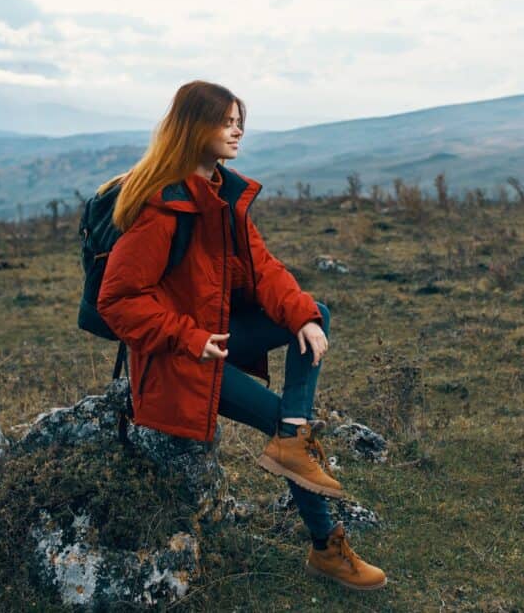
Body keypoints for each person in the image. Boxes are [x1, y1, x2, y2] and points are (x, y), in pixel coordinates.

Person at [95, 80, 387, 591]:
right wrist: (187, 337)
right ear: (194, 127)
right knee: (275, 422)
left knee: (313, 310)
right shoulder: (161, 209)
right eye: (226, 121)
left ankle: (295, 431)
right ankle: (327, 548)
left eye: (239, 121)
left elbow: (263, 269)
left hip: (216, 339)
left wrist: (299, 316)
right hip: (179, 359)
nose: (237, 130)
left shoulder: (223, 197)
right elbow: (117, 300)